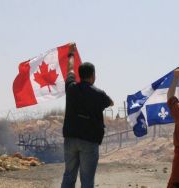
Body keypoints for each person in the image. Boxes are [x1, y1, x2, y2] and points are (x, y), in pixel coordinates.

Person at [61, 44, 114, 188]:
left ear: (80, 75)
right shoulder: (99, 94)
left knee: (69, 175)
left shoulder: (71, 88)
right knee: (87, 180)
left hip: (71, 139)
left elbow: (70, 69)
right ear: (93, 76)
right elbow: (111, 102)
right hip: (89, 141)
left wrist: (71, 55)